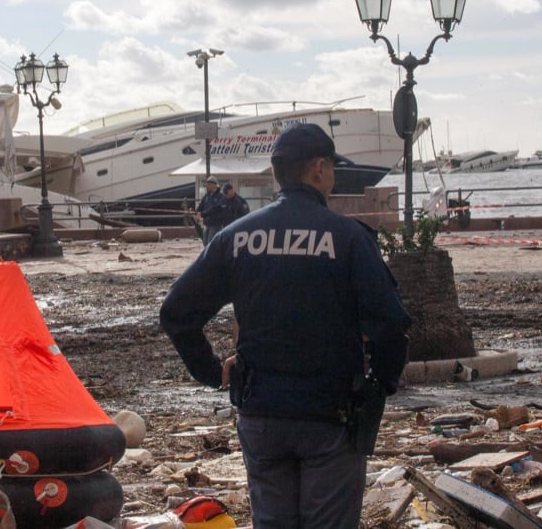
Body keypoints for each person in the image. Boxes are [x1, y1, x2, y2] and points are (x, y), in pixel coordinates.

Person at [160, 123, 411, 529]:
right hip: (331, 417)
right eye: (332, 168)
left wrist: (211, 372)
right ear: (317, 169)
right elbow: (391, 325)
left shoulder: (235, 237)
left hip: (261, 415)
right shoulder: (348, 238)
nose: (333, 176)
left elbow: (176, 313)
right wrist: (379, 386)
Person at [194, 175, 227, 243]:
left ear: (214, 185)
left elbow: (215, 209)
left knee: (210, 241)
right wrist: (196, 212)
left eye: (209, 184)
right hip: (207, 223)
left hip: (216, 224)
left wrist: (203, 214)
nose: (207, 186)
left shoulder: (220, 196)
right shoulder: (207, 196)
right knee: (205, 241)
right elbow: (201, 206)